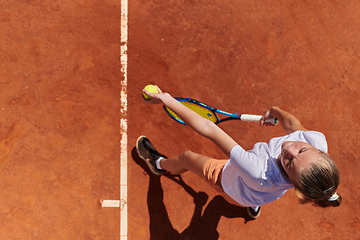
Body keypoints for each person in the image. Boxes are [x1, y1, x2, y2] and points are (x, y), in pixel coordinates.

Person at [136, 86, 341, 220]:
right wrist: (275, 110)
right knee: (255, 194)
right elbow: (293, 124)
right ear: (320, 151)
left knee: (188, 157)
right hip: (258, 193)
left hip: (230, 183)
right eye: (302, 149)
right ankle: (253, 205)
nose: (289, 149)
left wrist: (167, 100)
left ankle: (158, 165)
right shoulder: (316, 142)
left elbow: (208, 128)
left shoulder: (256, 170)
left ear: (293, 180)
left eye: (288, 163)